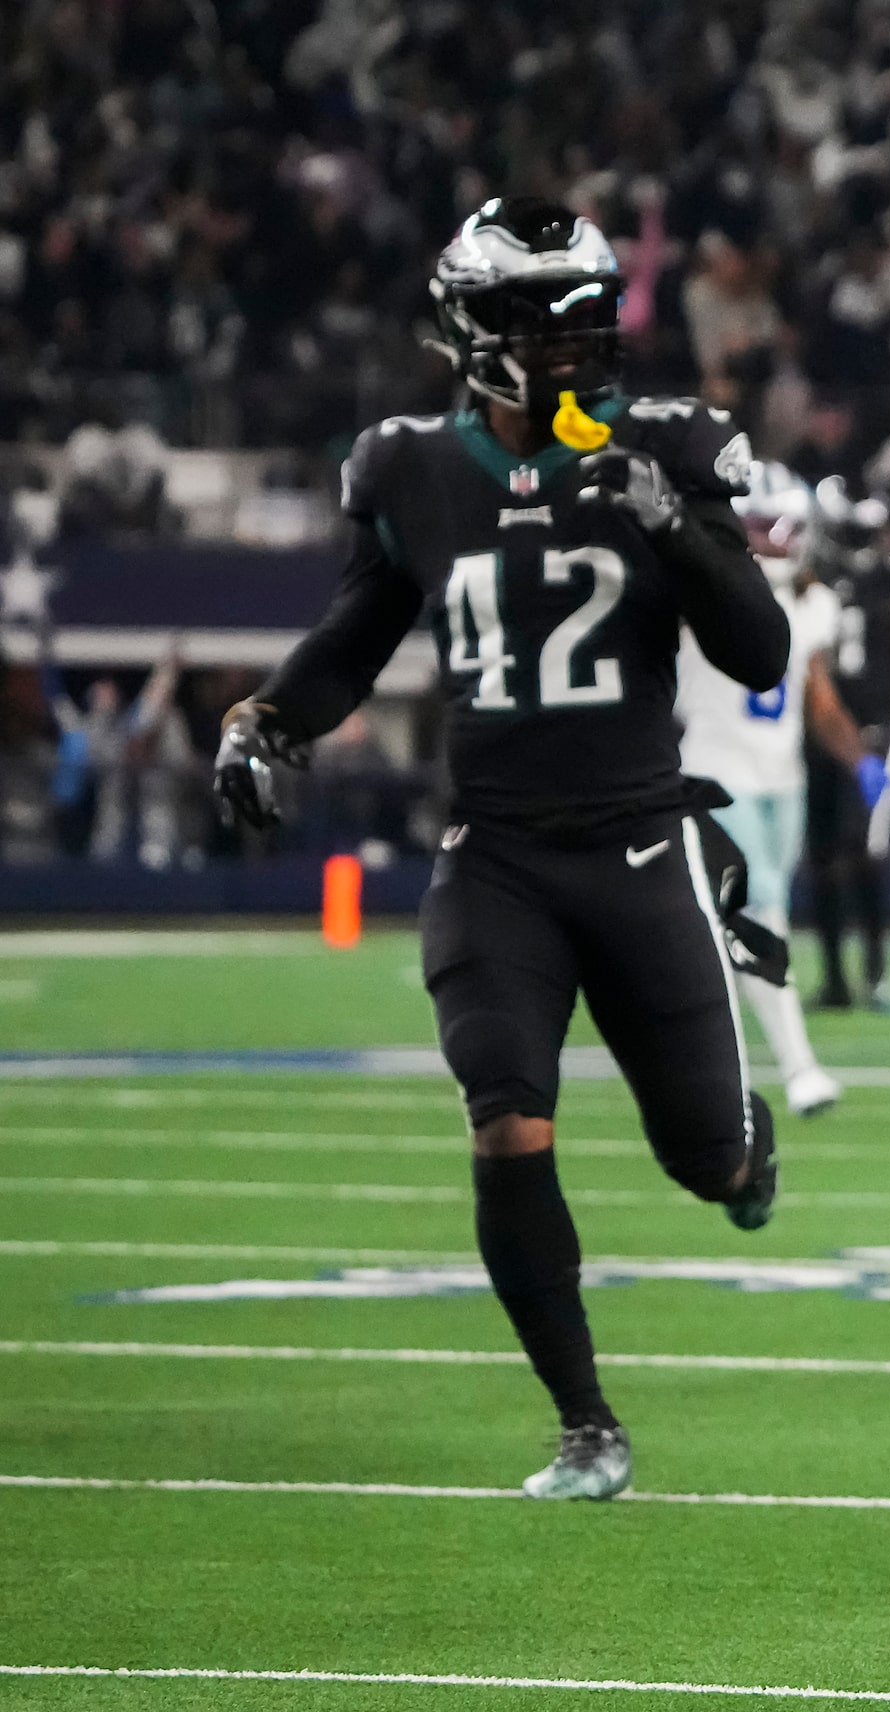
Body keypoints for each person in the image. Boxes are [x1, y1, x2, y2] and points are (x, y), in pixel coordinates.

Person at [211, 197, 790, 1502]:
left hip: (642, 850)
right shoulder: (412, 467)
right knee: (505, 1120)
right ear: (476, 330)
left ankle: (747, 1146)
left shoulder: (666, 446)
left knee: (707, 1159)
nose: (579, 341)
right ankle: (586, 1422)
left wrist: (667, 521)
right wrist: (267, 721)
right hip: (499, 861)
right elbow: (355, 637)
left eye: (593, 312)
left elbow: (758, 651)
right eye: (550, 317)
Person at [675, 460, 874, 1118]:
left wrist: (859, 759)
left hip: (780, 778)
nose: (773, 540)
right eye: (758, 526)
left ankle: (709, 1045)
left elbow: (817, 698)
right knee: (763, 913)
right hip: (715, 770)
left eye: (783, 527)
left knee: (747, 920)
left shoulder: (815, 603)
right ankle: (800, 1068)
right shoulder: (703, 588)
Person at [803, 475, 890, 1012]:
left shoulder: (841, 578)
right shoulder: (847, 578)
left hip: (870, 733)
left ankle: (869, 974)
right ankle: (843, 978)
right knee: (831, 855)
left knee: (859, 851)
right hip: (833, 730)